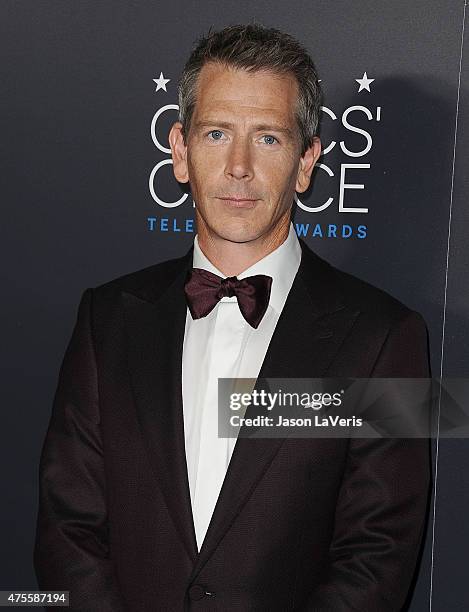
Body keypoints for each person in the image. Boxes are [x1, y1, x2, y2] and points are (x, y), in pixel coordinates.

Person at [34, 23, 431, 611]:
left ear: (306, 162)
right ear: (180, 150)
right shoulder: (106, 319)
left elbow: (378, 558)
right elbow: (67, 530)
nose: (239, 166)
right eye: (217, 133)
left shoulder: (386, 337)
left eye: (268, 138)